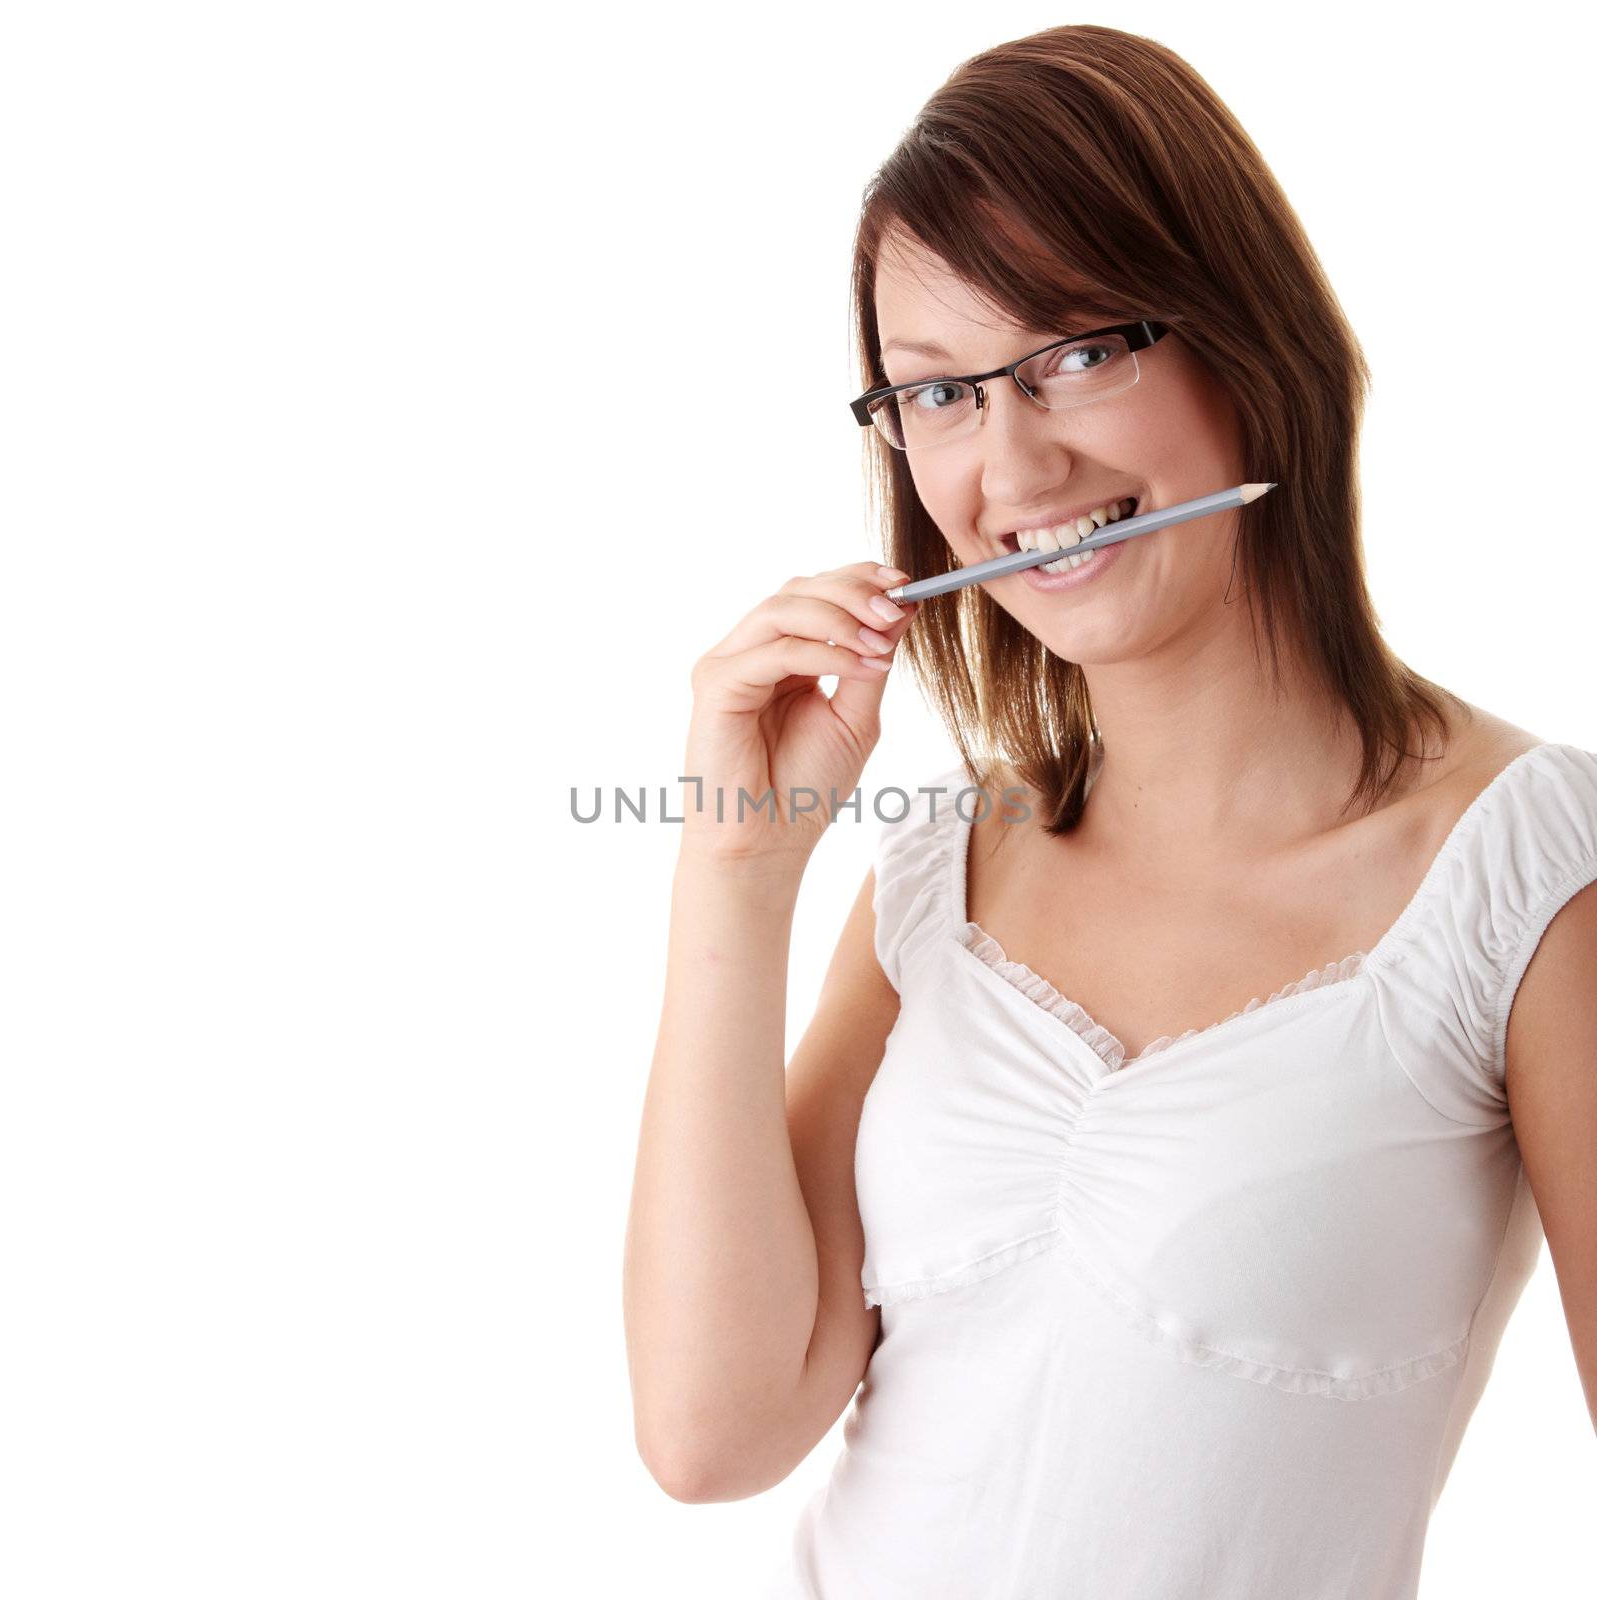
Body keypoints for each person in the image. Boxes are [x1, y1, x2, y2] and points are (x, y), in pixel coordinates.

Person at [622, 23, 1597, 1599]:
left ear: (1243, 337)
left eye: (1077, 351)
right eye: (934, 396)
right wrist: (735, 872)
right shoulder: (942, 876)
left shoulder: (1525, 867)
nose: (1012, 462)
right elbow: (710, 1435)